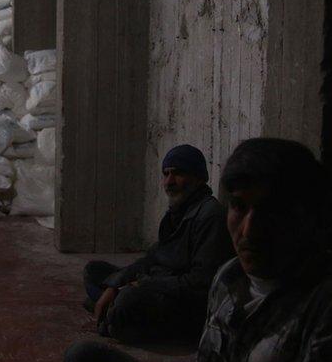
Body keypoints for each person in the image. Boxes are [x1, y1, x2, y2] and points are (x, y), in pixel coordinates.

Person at [61, 138, 332, 362]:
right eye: (239, 206)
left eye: (270, 212)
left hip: (187, 317)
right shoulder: (230, 276)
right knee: (83, 360)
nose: (249, 230)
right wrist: (119, 282)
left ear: (305, 218)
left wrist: (138, 287)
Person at [83, 144, 233, 343]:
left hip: (184, 302)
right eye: (166, 174)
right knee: (94, 272)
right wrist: (115, 285)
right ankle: (114, 312)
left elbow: (199, 284)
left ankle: (114, 316)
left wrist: (142, 284)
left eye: (178, 173)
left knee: (127, 300)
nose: (169, 182)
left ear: (198, 178)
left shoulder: (210, 216)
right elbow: (152, 258)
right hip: (158, 283)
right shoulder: (177, 211)